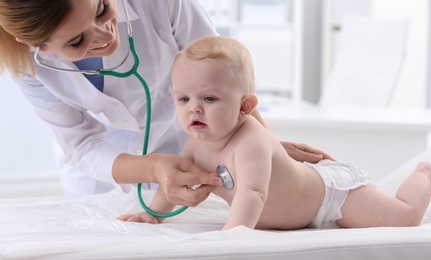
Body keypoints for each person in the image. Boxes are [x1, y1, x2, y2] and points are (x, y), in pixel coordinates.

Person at [0, 1, 330, 204]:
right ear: (34, 44)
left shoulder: (160, 2)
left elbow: (223, 74)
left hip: (190, 141)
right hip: (100, 174)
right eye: (77, 41)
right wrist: (154, 168)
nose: (105, 35)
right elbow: (81, 144)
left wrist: (261, 147)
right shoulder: (28, 66)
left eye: (101, 8)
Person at [118, 36, 431, 230]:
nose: (194, 108)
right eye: (183, 98)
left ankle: (425, 174)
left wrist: (230, 238)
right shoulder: (195, 145)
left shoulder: (249, 142)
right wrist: (154, 212)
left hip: (332, 196)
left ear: (246, 106)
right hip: (305, 196)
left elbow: (252, 195)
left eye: (209, 98)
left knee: (405, 218)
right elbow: (175, 180)